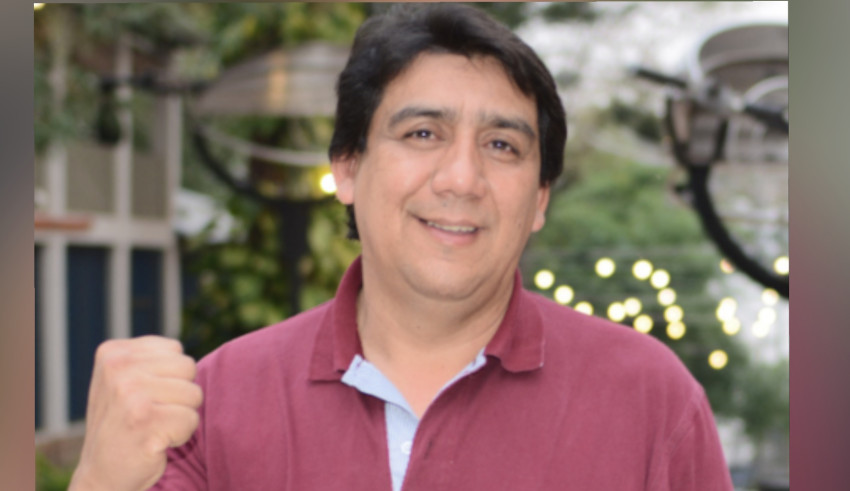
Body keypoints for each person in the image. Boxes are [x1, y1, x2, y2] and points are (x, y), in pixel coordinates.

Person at [70, 4, 733, 490]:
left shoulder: (649, 401)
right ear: (348, 168)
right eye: (422, 134)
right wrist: (99, 479)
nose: (462, 178)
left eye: (502, 145)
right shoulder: (216, 404)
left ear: (539, 198)